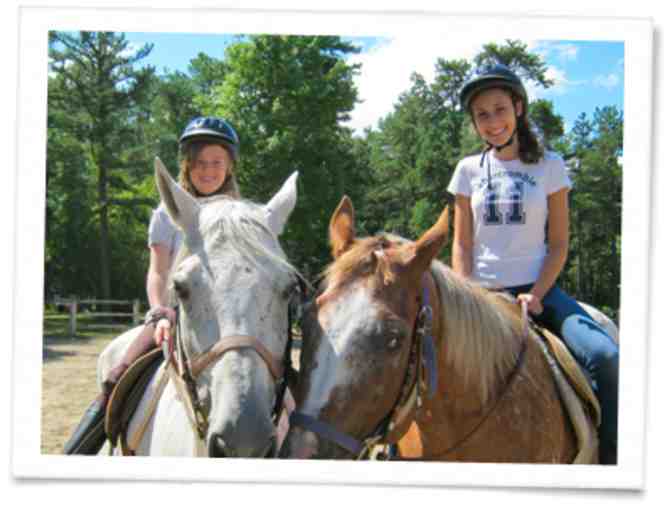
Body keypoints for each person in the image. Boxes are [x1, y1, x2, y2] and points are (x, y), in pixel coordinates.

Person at [447, 64, 619, 465]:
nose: (493, 122)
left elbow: (558, 244)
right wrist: (466, 295)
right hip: (482, 296)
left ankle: (613, 460)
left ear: (519, 108)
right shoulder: (467, 171)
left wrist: (537, 294)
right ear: (474, 122)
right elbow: (462, 243)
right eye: (482, 115)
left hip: (540, 291)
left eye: (500, 109)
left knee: (605, 356)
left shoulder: (550, 166)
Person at [64, 116, 242, 454]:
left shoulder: (238, 215)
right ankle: (81, 448)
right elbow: (158, 271)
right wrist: (160, 312)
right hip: (174, 312)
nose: (208, 170)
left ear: (229, 166)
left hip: (224, 318)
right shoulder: (165, 212)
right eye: (200, 162)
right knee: (119, 373)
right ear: (186, 165)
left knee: (279, 384)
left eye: (216, 162)